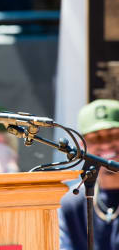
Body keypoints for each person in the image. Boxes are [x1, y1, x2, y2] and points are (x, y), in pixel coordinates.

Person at [59, 99, 119, 250]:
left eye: (114, 135)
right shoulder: (70, 204)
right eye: (95, 138)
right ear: (82, 145)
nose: (106, 144)